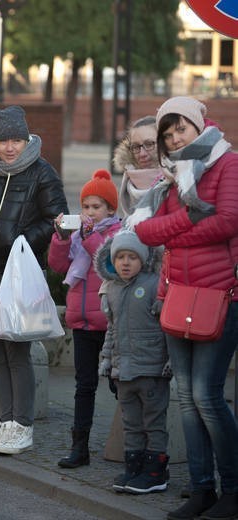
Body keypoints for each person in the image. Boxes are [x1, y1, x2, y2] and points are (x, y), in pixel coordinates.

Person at [132, 97, 238, 520]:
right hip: (176, 294)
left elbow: (229, 219)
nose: (175, 138)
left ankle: (232, 491)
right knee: (186, 400)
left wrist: (176, 231)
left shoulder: (228, 164)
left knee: (207, 397)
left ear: (199, 125)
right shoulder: (172, 175)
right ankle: (201, 490)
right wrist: (191, 222)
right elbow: (144, 229)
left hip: (221, 295)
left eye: (181, 128)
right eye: (168, 133)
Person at [0, 105, 68, 455]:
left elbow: (56, 218)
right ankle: (5, 423)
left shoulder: (42, 173)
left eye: (16, 140)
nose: (10, 147)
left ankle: (22, 425)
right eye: (4, 140)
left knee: (16, 347)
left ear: (26, 140)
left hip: (20, 272)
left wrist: (22, 240)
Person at [48, 169, 122, 468]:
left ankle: (134, 445)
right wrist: (61, 239)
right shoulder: (79, 235)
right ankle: (80, 447)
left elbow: (108, 264)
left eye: (97, 207)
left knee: (119, 385)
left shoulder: (118, 234)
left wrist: (91, 238)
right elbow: (58, 266)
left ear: (111, 210)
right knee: (84, 386)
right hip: (81, 322)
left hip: (108, 323)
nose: (90, 212)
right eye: (86, 206)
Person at [96, 230, 170, 494]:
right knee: (131, 422)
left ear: (144, 259)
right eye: (120, 258)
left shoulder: (153, 285)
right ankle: (134, 466)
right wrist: (107, 360)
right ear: (112, 260)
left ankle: (156, 471)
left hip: (151, 370)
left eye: (132, 257)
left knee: (154, 422)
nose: (125, 263)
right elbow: (112, 329)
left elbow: (166, 327)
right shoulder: (113, 290)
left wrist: (169, 361)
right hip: (123, 371)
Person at [112, 116, 164, 218]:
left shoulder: (176, 176)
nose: (142, 154)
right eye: (136, 147)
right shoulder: (129, 175)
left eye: (149, 144)